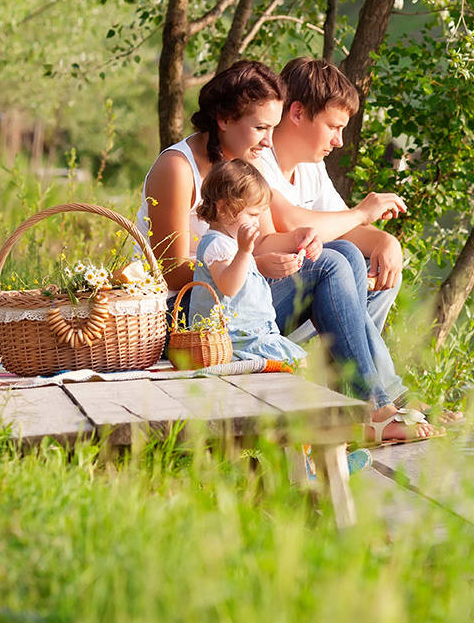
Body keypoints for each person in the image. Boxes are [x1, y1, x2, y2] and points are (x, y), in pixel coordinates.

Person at [137, 59, 441, 442]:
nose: (267, 141)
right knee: (330, 263)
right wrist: (252, 264)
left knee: (340, 252)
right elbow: (176, 273)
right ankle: (376, 406)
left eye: (272, 128)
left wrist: (303, 240)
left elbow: (262, 240)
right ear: (224, 119)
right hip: (186, 317)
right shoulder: (178, 168)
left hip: (232, 301)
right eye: (261, 128)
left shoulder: (241, 164)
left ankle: (360, 399)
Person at [257, 57, 404, 333]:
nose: (339, 141)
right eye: (334, 127)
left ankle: (351, 365)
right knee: (336, 260)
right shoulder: (257, 156)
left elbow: (342, 228)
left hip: (292, 296)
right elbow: (289, 222)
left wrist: (385, 241)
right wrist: (361, 212)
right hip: (259, 300)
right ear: (298, 113)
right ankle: (361, 370)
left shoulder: (311, 167)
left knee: (384, 271)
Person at [188, 159, 308, 365]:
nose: (257, 221)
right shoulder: (217, 245)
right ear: (223, 208)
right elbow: (229, 286)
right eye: (252, 214)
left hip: (252, 333)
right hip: (231, 340)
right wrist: (244, 252)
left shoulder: (230, 244)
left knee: (298, 362)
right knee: (292, 364)